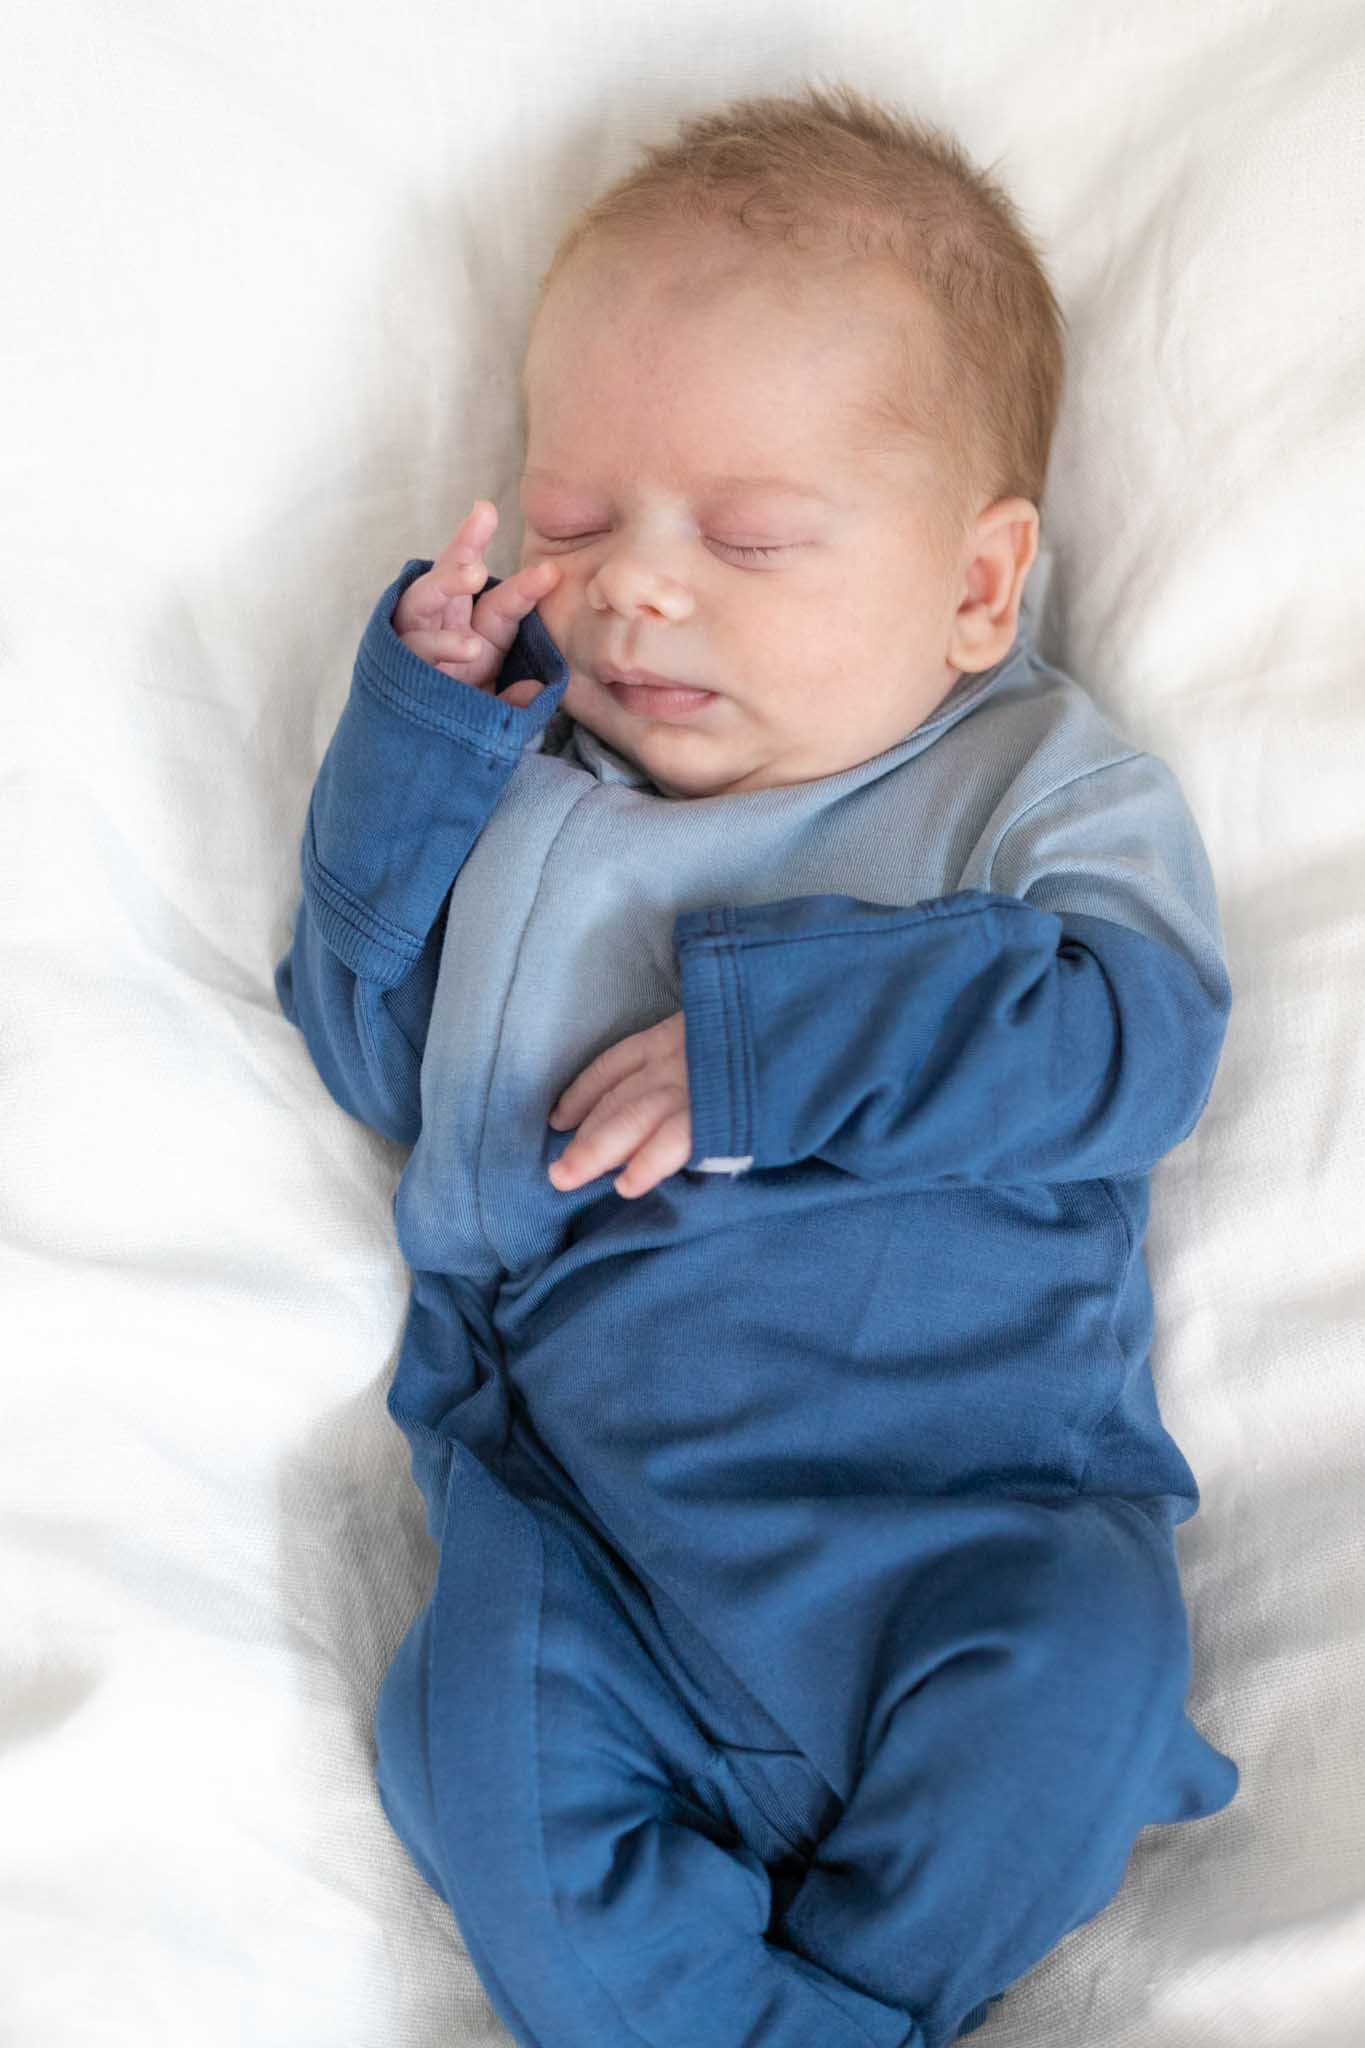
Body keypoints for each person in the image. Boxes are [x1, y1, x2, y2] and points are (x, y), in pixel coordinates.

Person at [274, 80, 1240, 2048]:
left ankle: (840, 1996)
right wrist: (419, 749)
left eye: (749, 535)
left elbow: (1132, 1041)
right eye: (574, 518)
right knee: (467, 1753)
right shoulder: (538, 799)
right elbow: (371, 1046)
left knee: (1089, 1679)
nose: (637, 583)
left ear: (976, 586)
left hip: (971, 1517)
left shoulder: (1027, 784)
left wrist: (766, 1050)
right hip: (596, 1545)